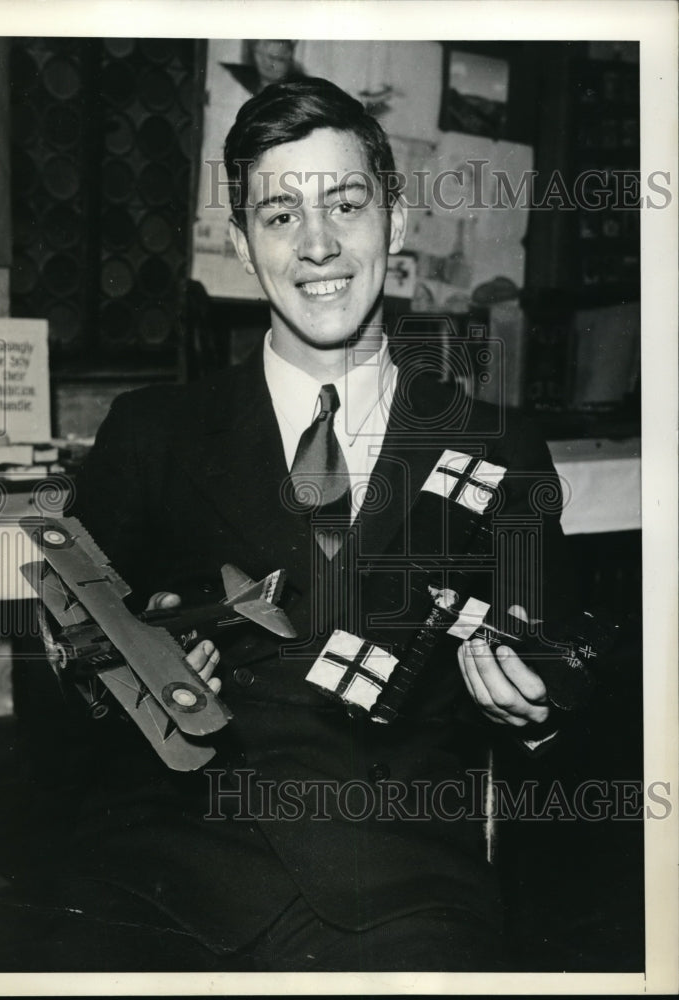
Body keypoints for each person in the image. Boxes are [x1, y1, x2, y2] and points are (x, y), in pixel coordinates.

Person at [55, 77, 573, 973]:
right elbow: (65, 654)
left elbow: (563, 666)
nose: (318, 244)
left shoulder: (496, 443)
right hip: (163, 873)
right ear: (242, 246)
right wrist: (133, 672)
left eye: (344, 203)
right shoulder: (151, 431)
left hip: (402, 885)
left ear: (396, 224)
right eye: (280, 215)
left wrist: (533, 711)